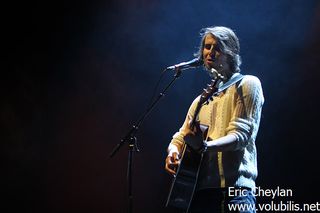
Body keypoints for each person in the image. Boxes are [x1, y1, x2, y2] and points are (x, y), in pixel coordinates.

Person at [165, 26, 264, 213]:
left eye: (217, 47)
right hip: (199, 193)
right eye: (207, 47)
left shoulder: (247, 84)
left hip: (236, 192)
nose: (210, 52)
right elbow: (179, 137)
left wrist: (205, 146)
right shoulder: (199, 101)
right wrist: (173, 153)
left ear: (231, 52)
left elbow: (241, 136)